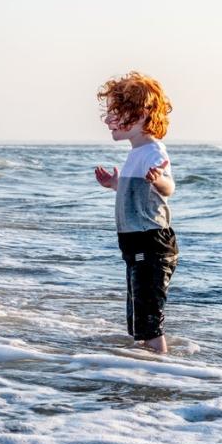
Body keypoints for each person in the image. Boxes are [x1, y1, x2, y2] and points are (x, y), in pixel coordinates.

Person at [93, 72, 178, 354]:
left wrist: (157, 179)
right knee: (138, 316)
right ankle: (141, 365)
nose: (107, 120)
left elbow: (168, 188)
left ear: (141, 115)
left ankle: (160, 367)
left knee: (149, 318)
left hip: (152, 243)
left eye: (115, 113)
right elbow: (136, 192)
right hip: (136, 244)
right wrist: (114, 184)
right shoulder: (135, 154)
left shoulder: (154, 151)